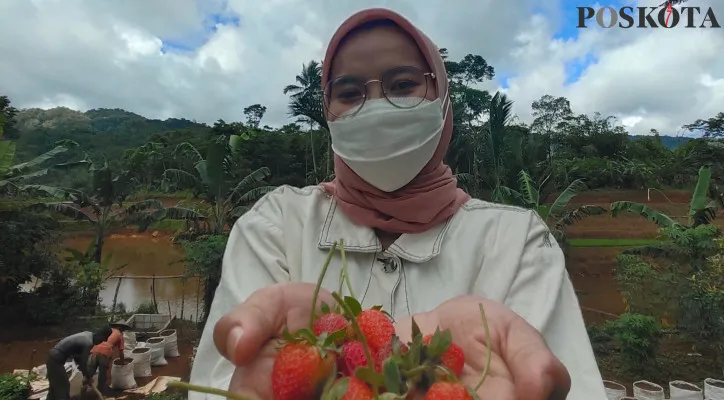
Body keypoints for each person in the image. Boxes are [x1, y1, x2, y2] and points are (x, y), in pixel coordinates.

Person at [190, 7, 607, 400]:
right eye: (350, 92)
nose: (375, 106)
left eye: (404, 85)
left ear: (442, 100)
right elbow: (225, 379)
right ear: (328, 112)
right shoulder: (276, 225)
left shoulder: (518, 240)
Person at [46, 326, 112, 400]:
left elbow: (78, 357)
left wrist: (85, 373)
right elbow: (83, 362)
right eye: (102, 340)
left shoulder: (88, 335)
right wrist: (87, 376)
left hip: (53, 358)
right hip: (56, 360)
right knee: (63, 387)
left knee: (54, 389)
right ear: (101, 335)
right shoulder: (88, 342)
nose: (101, 342)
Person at [86, 320, 131, 395]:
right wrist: (122, 362)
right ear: (121, 328)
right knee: (102, 374)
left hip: (94, 350)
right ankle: (102, 393)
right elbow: (121, 352)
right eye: (123, 329)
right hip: (104, 353)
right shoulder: (120, 335)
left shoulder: (109, 331)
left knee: (90, 373)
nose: (124, 330)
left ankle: (84, 391)